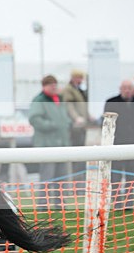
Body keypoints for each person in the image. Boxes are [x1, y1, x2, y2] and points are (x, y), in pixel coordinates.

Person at [29, 75, 72, 207]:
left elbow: (64, 118)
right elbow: (34, 119)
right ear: (44, 86)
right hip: (46, 145)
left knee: (62, 177)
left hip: (62, 145)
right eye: (50, 84)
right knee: (47, 177)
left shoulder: (59, 99)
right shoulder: (39, 100)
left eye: (55, 84)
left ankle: (60, 204)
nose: (54, 86)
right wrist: (53, 124)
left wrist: (67, 123)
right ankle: (44, 204)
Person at [104, 79, 134, 210]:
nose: (127, 90)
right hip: (116, 146)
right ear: (120, 88)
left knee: (131, 177)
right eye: (125, 87)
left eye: (130, 88)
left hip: (133, 146)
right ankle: (117, 204)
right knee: (116, 177)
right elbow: (107, 125)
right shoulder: (111, 102)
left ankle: (129, 204)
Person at [60, 69, 90, 175]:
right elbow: (69, 106)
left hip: (81, 126)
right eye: (78, 78)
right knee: (76, 152)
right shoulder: (69, 90)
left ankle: (79, 174)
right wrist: (76, 118)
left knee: (81, 151)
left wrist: (88, 116)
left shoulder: (78, 90)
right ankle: (75, 175)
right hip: (74, 126)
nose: (80, 80)